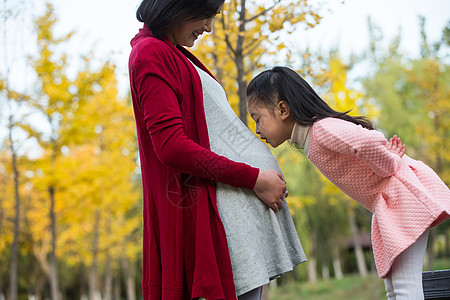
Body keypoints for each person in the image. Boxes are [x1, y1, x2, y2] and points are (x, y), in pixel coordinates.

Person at [128, 1, 306, 299]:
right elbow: (171, 146)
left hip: (232, 212)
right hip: (217, 213)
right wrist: (254, 179)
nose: (209, 27)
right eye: (206, 15)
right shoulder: (150, 53)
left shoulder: (172, 53)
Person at [246, 66, 450, 300]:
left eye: (257, 118)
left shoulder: (321, 129)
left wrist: (389, 164)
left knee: (404, 287)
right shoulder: (312, 138)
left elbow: (369, 141)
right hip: (389, 203)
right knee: (395, 289)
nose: (257, 129)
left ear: (283, 109)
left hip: (401, 198)